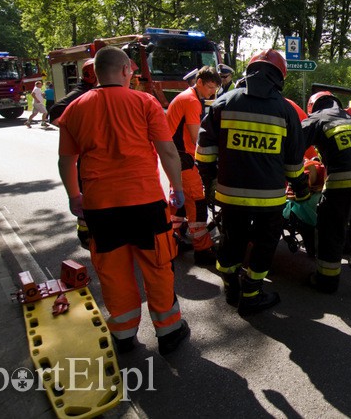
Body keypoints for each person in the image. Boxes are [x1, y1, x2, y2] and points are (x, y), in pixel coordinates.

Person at [56, 46, 189, 355]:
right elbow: (167, 151)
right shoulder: (145, 102)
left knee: (113, 272)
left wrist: (74, 195)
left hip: (100, 207)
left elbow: (66, 161)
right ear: (126, 70)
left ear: (96, 73)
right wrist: (176, 189)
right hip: (145, 202)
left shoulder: (75, 108)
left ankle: (124, 336)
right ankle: (169, 333)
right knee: (158, 267)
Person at [196, 49, 309, 316]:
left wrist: (210, 182)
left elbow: (204, 152)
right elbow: (294, 163)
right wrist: (302, 190)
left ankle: (230, 286)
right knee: (265, 243)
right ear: (279, 76)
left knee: (231, 239)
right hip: (270, 198)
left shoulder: (224, 102)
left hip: (230, 195)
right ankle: (252, 294)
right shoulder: (286, 110)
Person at [301, 91, 351, 293]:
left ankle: (326, 280)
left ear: (313, 107)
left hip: (344, 177)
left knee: (331, 227)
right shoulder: (350, 118)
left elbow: (293, 144)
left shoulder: (318, 117)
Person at [166, 66, 220, 266]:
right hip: (182, 157)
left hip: (174, 156)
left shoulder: (189, 97)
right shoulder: (191, 101)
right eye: (210, 87)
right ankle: (203, 249)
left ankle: (174, 238)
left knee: (179, 201)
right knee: (197, 201)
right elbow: (197, 137)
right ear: (199, 82)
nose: (212, 93)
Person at [49, 58, 100, 250]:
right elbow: (55, 111)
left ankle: (87, 232)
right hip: (86, 160)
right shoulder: (81, 94)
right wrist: (79, 131)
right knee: (86, 198)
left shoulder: (90, 92)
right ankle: (85, 234)